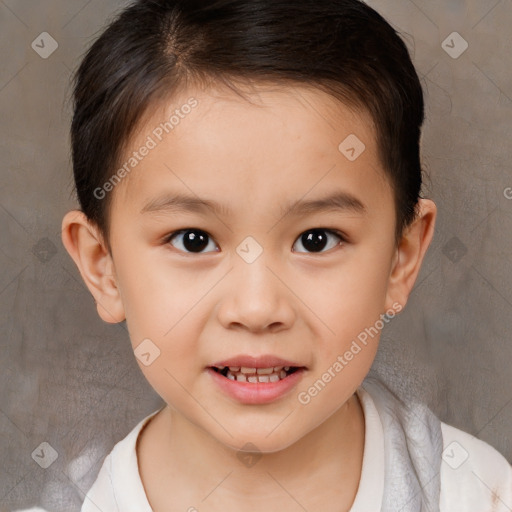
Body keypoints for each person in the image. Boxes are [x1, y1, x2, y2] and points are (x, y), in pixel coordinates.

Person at [61, 0, 512, 510]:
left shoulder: (483, 493)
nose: (256, 309)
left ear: (400, 258)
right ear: (104, 267)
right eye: (193, 240)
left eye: (316, 239)